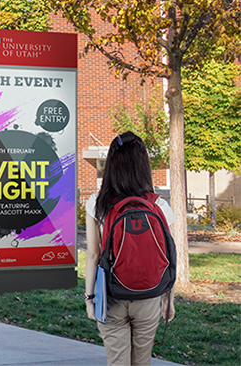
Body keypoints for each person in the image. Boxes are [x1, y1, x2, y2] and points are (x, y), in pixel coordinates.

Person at [84, 131, 176, 366]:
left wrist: (89, 298)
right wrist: (169, 299)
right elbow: (168, 256)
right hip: (150, 295)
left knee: (118, 362)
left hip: (110, 295)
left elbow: (93, 255)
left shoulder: (98, 202)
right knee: (142, 362)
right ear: (144, 165)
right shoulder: (159, 206)